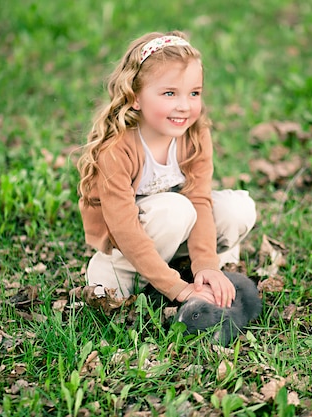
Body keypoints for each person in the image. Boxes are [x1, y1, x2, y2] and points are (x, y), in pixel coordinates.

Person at [77, 31, 256, 308]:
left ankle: (190, 264)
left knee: (238, 209)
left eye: (194, 93)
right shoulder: (116, 149)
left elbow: (199, 199)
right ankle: (135, 272)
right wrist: (177, 289)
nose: (184, 106)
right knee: (177, 209)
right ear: (135, 97)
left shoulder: (195, 135)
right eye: (170, 93)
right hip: (129, 244)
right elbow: (123, 227)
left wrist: (206, 265)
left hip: (177, 231)